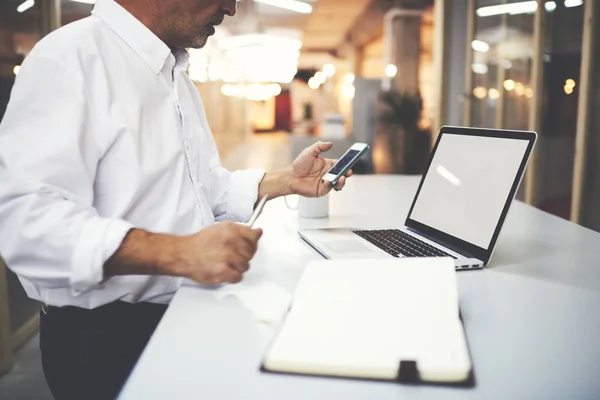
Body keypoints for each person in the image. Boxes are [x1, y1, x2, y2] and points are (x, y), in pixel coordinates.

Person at [0, 0, 351, 398]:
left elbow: (199, 185)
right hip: (102, 339)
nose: (232, 8)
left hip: (179, 312)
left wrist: (284, 180)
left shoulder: (173, 75)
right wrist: (176, 252)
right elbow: (27, 223)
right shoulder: (69, 58)